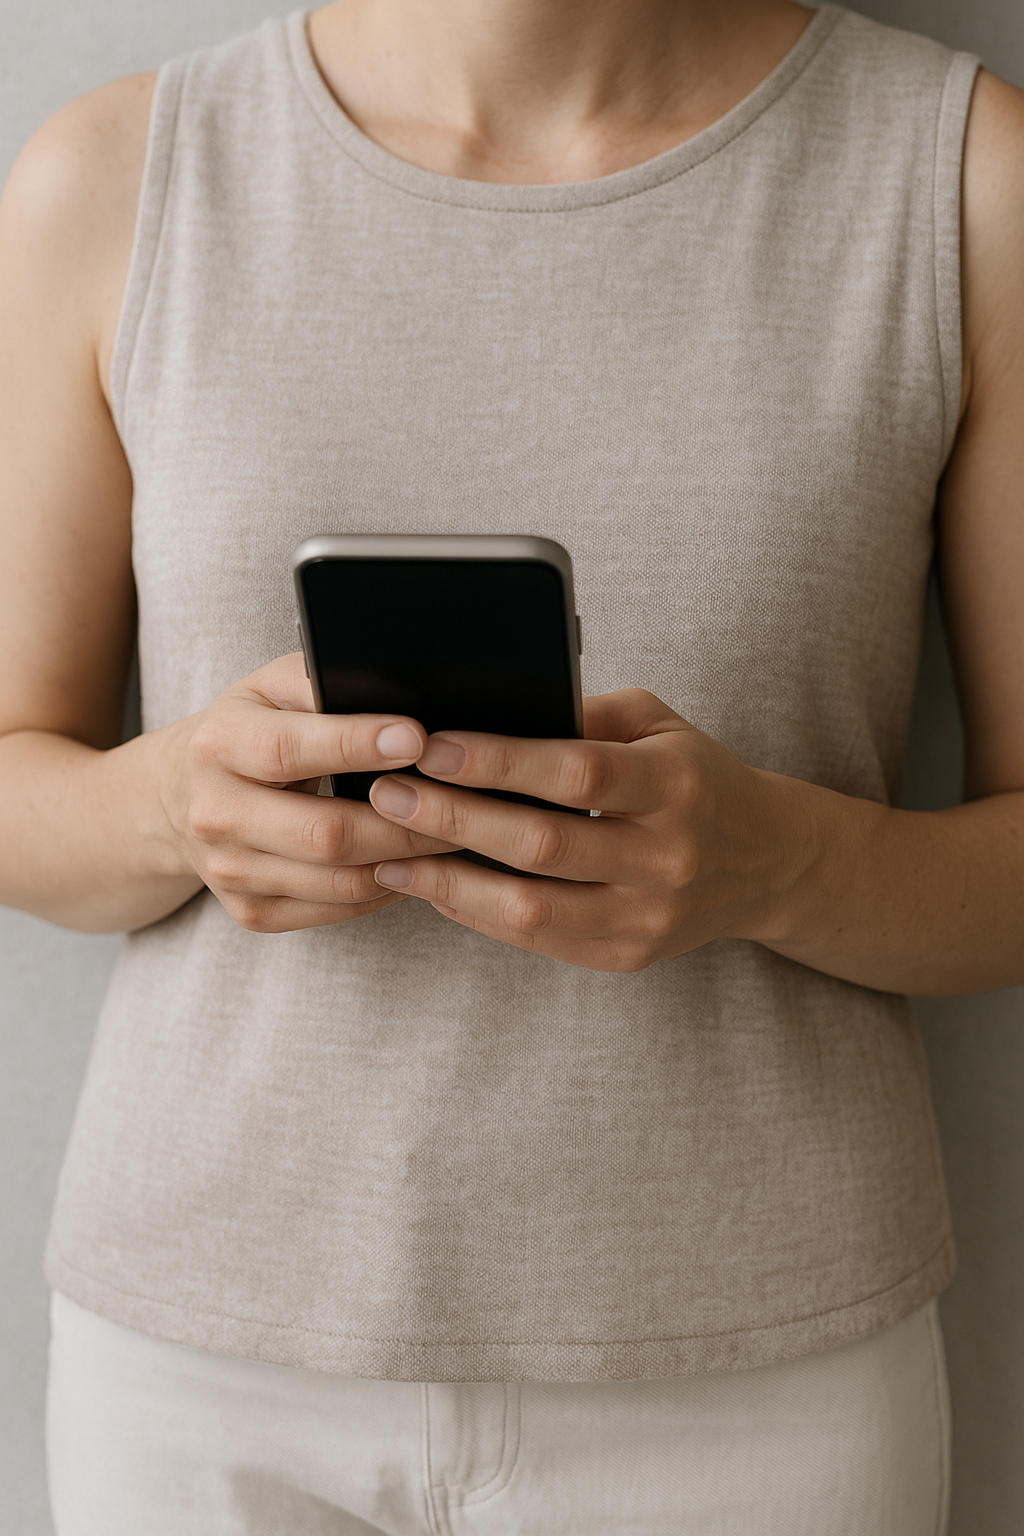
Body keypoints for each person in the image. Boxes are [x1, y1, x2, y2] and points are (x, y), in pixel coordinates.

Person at [1, 0, 1022, 1528]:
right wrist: (171, 806)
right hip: (204, 1371)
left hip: (758, 1376)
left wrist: (776, 865)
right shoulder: (119, 177)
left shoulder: (962, 182)